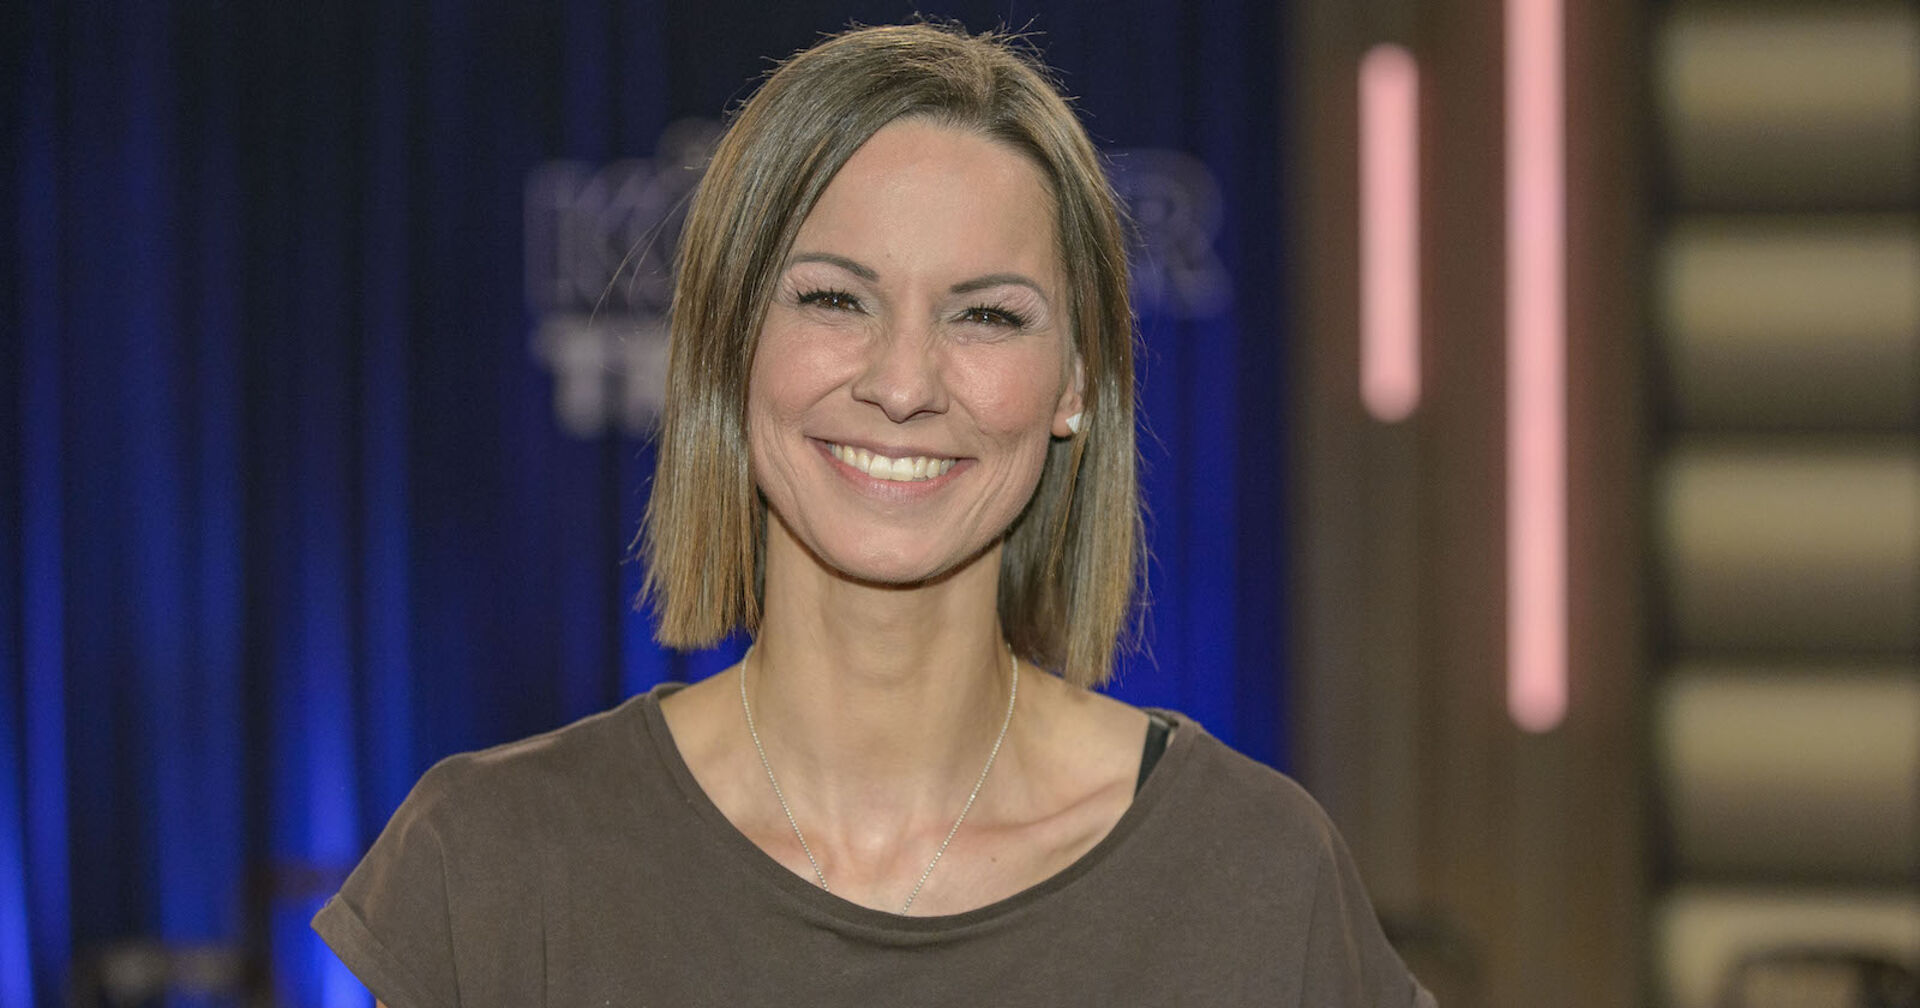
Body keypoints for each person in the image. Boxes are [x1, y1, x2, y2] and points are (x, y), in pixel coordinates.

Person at [313, 21, 1434, 1007]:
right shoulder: (495, 865)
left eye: (987, 315)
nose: (903, 384)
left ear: (1078, 383)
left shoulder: (1251, 875)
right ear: (726, 343)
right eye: (835, 299)